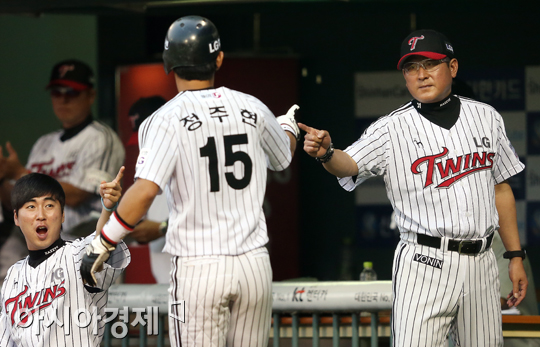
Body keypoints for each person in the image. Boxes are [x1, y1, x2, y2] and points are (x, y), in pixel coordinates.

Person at [80, 15, 299, 347]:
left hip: (200, 268)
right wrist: (289, 127)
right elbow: (284, 155)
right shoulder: (252, 107)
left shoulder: (164, 119)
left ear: (169, 64)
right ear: (219, 59)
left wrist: (104, 241)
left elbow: (144, 191)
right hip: (254, 264)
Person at [299, 29, 528, 347]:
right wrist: (326, 152)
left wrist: (515, 256)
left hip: (482, 262)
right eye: (411, 67)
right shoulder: (391, 128)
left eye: (430, 64)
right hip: (424, 261)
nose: (421, 75)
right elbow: (348, 164)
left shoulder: (487, 117)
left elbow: (501, 189)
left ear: (453, 67)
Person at [0, 168, 130, 346]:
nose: (40, 215)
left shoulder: (77, 254)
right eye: (31, 207)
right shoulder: (12, 276)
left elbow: (101, 242)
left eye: (49, 206)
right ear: (16, 217)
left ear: (62, 215)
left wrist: (107, 209)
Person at [0, 59, 125, 239]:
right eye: (57, 92)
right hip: (44, 247)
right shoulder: (43, 143)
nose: (63, 99)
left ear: (91, 96)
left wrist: (20, 173)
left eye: (72, 92)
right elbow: (18, 201)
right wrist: (3, 177)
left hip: (86, 245)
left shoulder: (101, 138)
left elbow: (77, 195)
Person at [125, 96, 171, 284]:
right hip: (166, 285)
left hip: (202, 283)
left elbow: (211, 211)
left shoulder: (192, 161)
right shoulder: (149, 175)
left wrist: (163, 228)